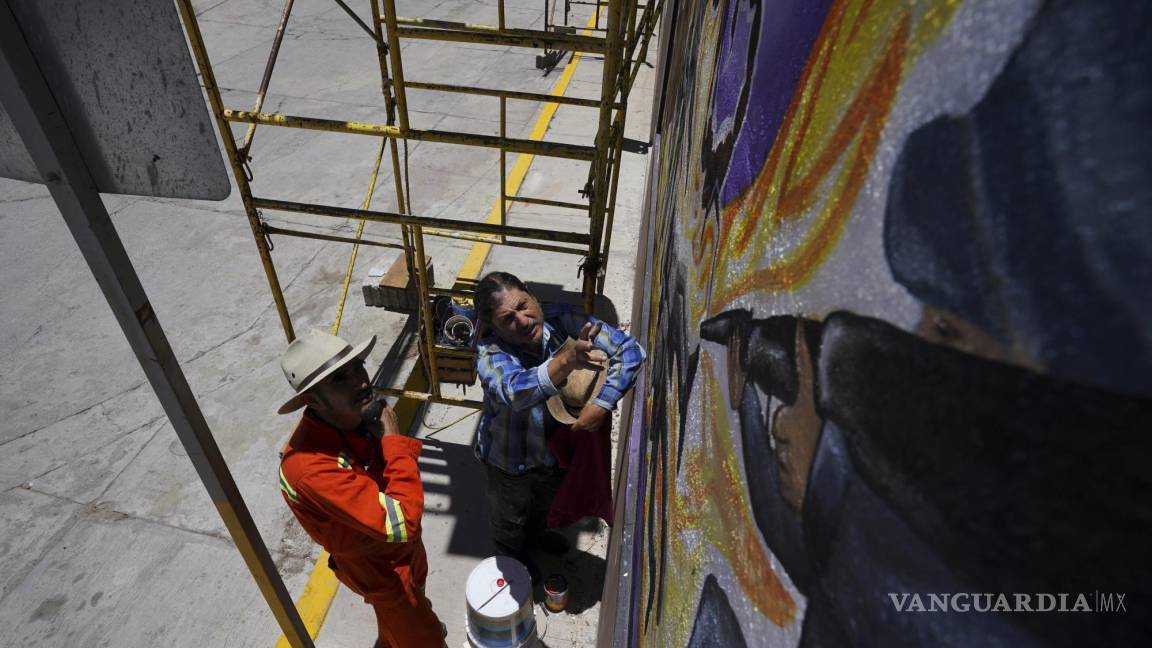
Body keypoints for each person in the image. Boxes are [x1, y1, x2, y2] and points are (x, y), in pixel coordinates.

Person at [473, 271, 646, 580]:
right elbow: (516, 392)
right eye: (508, 319)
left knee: (543, 508)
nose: (523, 321)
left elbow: (630, 350)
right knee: (509, 522)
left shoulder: (564, 318)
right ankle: (514, 562)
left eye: (523, 305)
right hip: (510, 465)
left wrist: (602, 403)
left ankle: (538, 537)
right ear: (493, 328)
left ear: (530, 293)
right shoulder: (490, 354)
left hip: (554, 455)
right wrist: (564, 361)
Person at [276, 329, 444, 648]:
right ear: (312, 400)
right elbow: (404, 521)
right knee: (424, 638)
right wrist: (393, 440)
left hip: (397, 551)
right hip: (379, 568)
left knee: (407, 614)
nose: (361, 382)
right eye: (341, 378)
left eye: (359, 367)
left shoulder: (352, 419)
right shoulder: (310, 467)